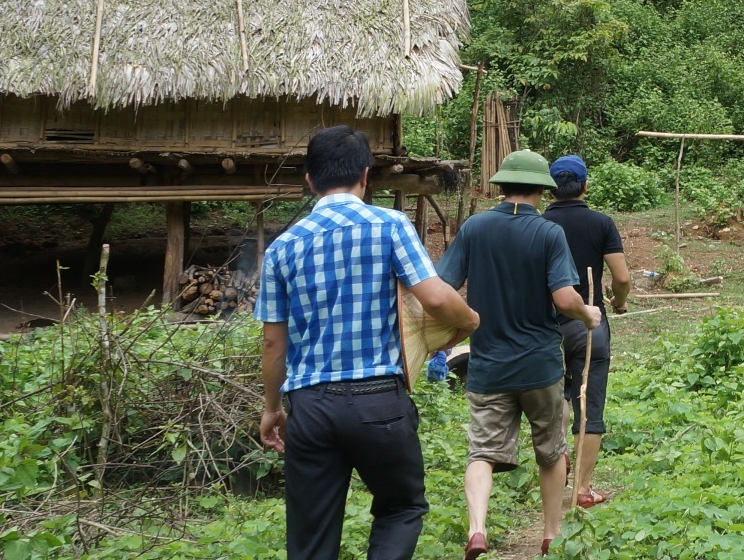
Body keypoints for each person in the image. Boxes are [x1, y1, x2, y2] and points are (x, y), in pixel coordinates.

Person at [256, 126, 479, 560]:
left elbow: (272, 344)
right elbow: (433, 296)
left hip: (311, 406)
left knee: (311, 536)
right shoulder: (389, 225)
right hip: (380, 403)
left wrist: (271, 408)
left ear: (308, 179)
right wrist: (469, 320)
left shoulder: (282, 249)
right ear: (365, 175)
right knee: (400, 507)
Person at [437, 149, 601, 559]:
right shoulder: (548, 233)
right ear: (542, 191)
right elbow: (564, 298)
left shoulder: (475, 228)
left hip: (488, 364)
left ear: (502, 184)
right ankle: (550, 533)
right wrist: (589, 314)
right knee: (550, 451)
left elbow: (441, 289)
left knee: (482, 453)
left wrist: (463, 324)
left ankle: (477, 529)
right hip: (540, 364)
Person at [543, 154, 632, 508]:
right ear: (585, 186)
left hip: (547, 324)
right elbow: (622, 277)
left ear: (551, 187)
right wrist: (618, 299)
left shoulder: (539, 224)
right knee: (590, 405)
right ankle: (581, 488)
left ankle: (560, 452)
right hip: (589, 324)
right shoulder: (601, 223)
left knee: (560, 396)